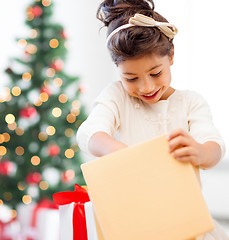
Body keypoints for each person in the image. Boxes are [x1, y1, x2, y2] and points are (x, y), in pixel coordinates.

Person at [77, 0, 228, 239]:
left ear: (171, 56)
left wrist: (200, 152)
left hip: (185, 225)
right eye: (131, 78)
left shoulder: (190, 102)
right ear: (118, 71)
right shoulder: (117, 97)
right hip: (133, 224)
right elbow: (89, 134)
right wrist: (122, 153)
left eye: (155, 73)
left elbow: (215, 146)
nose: (146, 87)